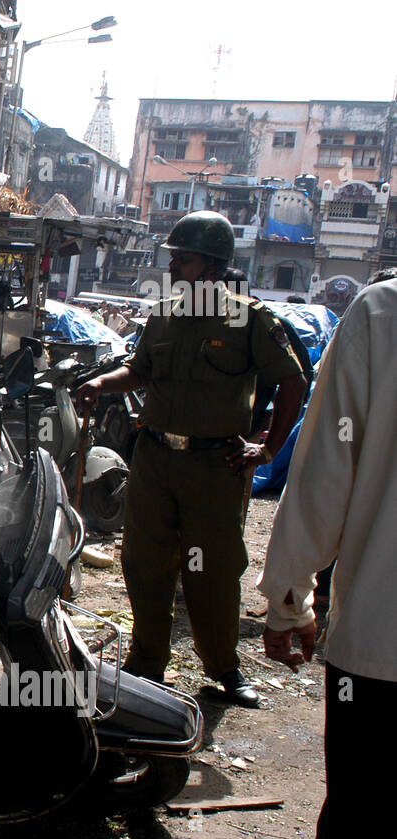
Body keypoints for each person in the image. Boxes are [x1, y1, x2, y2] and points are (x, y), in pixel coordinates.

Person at [75, 211, 307, 707]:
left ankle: (224, 667)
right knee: (144, 562)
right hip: (155, 459)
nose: (173, 266)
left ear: (213, 265)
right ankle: (146, 662)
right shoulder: (163, 315)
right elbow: (139, 371)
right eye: (174, 257)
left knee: (212, 570)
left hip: (213, 467)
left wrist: (266, 449)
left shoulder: (248, 318)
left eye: (184, 258)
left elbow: (292, 381)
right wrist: (101, 382)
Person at [257, 276, 397, 839]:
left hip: (381, 648)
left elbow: (322, 479)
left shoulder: (382, 312)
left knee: (360, 823)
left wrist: (290, 601)